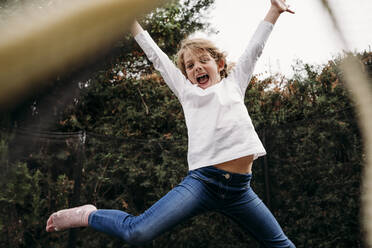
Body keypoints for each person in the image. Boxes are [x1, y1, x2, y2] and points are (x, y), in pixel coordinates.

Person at [46, 0, 296, 247]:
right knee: (137, 233)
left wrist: (274, 10)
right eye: (190, 66)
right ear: (186, 74)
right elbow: (156, 56)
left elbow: (255, 49)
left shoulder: (234, 84)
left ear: (218, 64)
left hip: (240, 190)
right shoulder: (188, 94)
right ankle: (88, 215)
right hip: (203, 183)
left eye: (203, 60)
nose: (197, 67)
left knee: (282, 245)